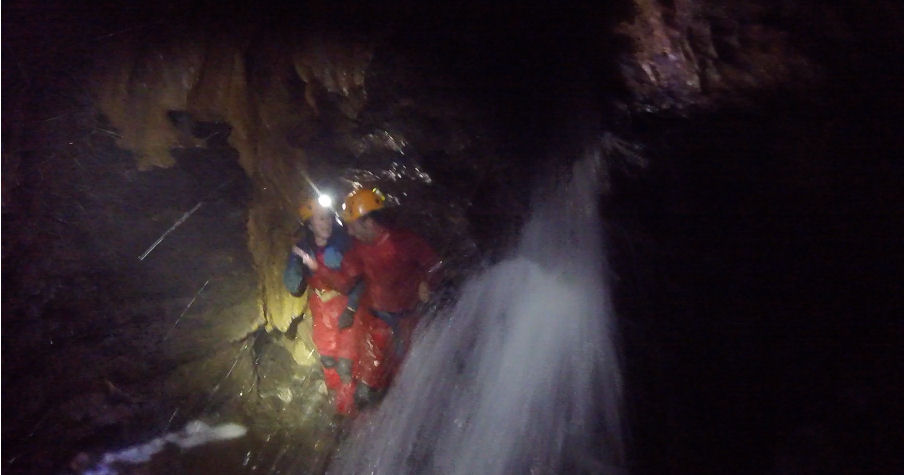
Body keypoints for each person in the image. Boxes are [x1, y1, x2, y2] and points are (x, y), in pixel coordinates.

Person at [299, 188, 441, 409]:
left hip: (409, 321)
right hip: (377, 324)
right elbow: (346, 281)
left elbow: (434, 265)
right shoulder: (358, 249)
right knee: (367, 388)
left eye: (353, 225)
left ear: (368, 222)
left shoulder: (404, 242)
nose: (350, 233)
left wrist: (426, 281)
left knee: (406, 378)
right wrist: (319, 269)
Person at [284, 198, 363, 415]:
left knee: (347, 365)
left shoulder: (345, 243)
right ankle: (338, 405)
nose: (326, 222)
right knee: (328, 360)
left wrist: (351, 308)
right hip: (320, 307)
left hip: (344, 303)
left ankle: (353, 412)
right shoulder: (303, 249)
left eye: (328, 217)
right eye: (320, 219)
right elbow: (293, 286)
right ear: (309, 224)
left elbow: (360, 279)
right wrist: (295, 265)